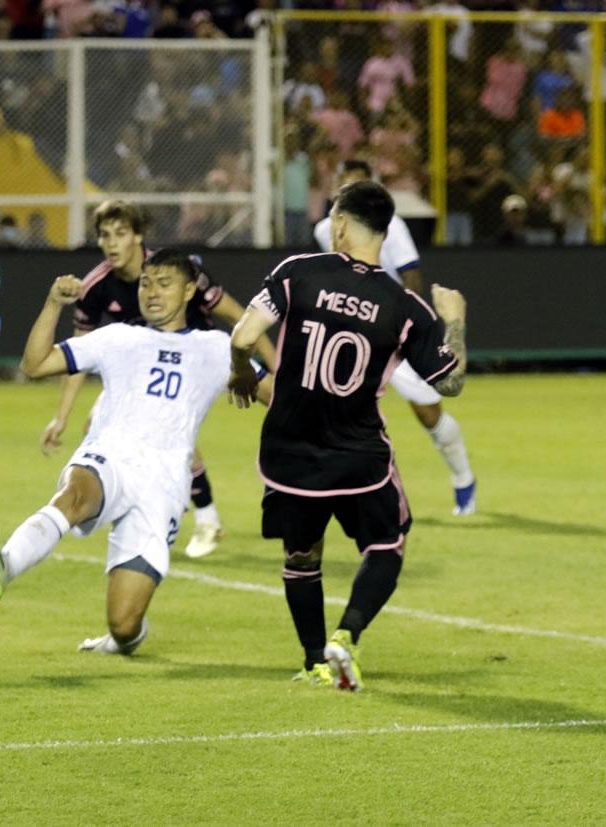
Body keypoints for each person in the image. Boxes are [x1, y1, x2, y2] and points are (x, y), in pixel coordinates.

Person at [229, 180, 468, 690]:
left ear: (338, 223)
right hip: (357, 456)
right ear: (385, 232)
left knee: (301, 557)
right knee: (388, 545)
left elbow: (245, 336)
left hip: (290, 453)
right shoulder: (402, 304)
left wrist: (241, 374)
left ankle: (315, 660)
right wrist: (455, 321)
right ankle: (347, 633)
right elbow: (449, 382)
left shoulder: (298, 273)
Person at [0, 250, 262, 654]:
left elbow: (278, 397)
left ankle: (122, 639)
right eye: (146, 283)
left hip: (162, 487)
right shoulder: (119, 338)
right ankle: (2, 567)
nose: (153, 292)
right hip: (109, 457)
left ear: (190, 290)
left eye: (165, 283)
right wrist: (54, 303)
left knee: (124, 625)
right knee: (75, 495)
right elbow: (35, 364)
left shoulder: (215, 348)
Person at [39, 200, 275, 559]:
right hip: (140, 366)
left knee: (166, 425)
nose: (112, 243)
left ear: (138, 236)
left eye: (120, 233)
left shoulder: (179, 271)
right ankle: (163, 504)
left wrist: (276, 369)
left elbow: (239, 317)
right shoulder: (96, 286)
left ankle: (201, 515)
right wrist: (61, 416)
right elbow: (76, 359)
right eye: (104, 236)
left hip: (194, 360)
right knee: (96, 427)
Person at [314, 161, 476, 515]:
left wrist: (406, 321)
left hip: (388, 329)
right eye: (346, 184)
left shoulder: (391, 224)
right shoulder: (324, 229)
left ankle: (463, 478)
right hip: (350, 334)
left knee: (428, 410)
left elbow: (410, 275)